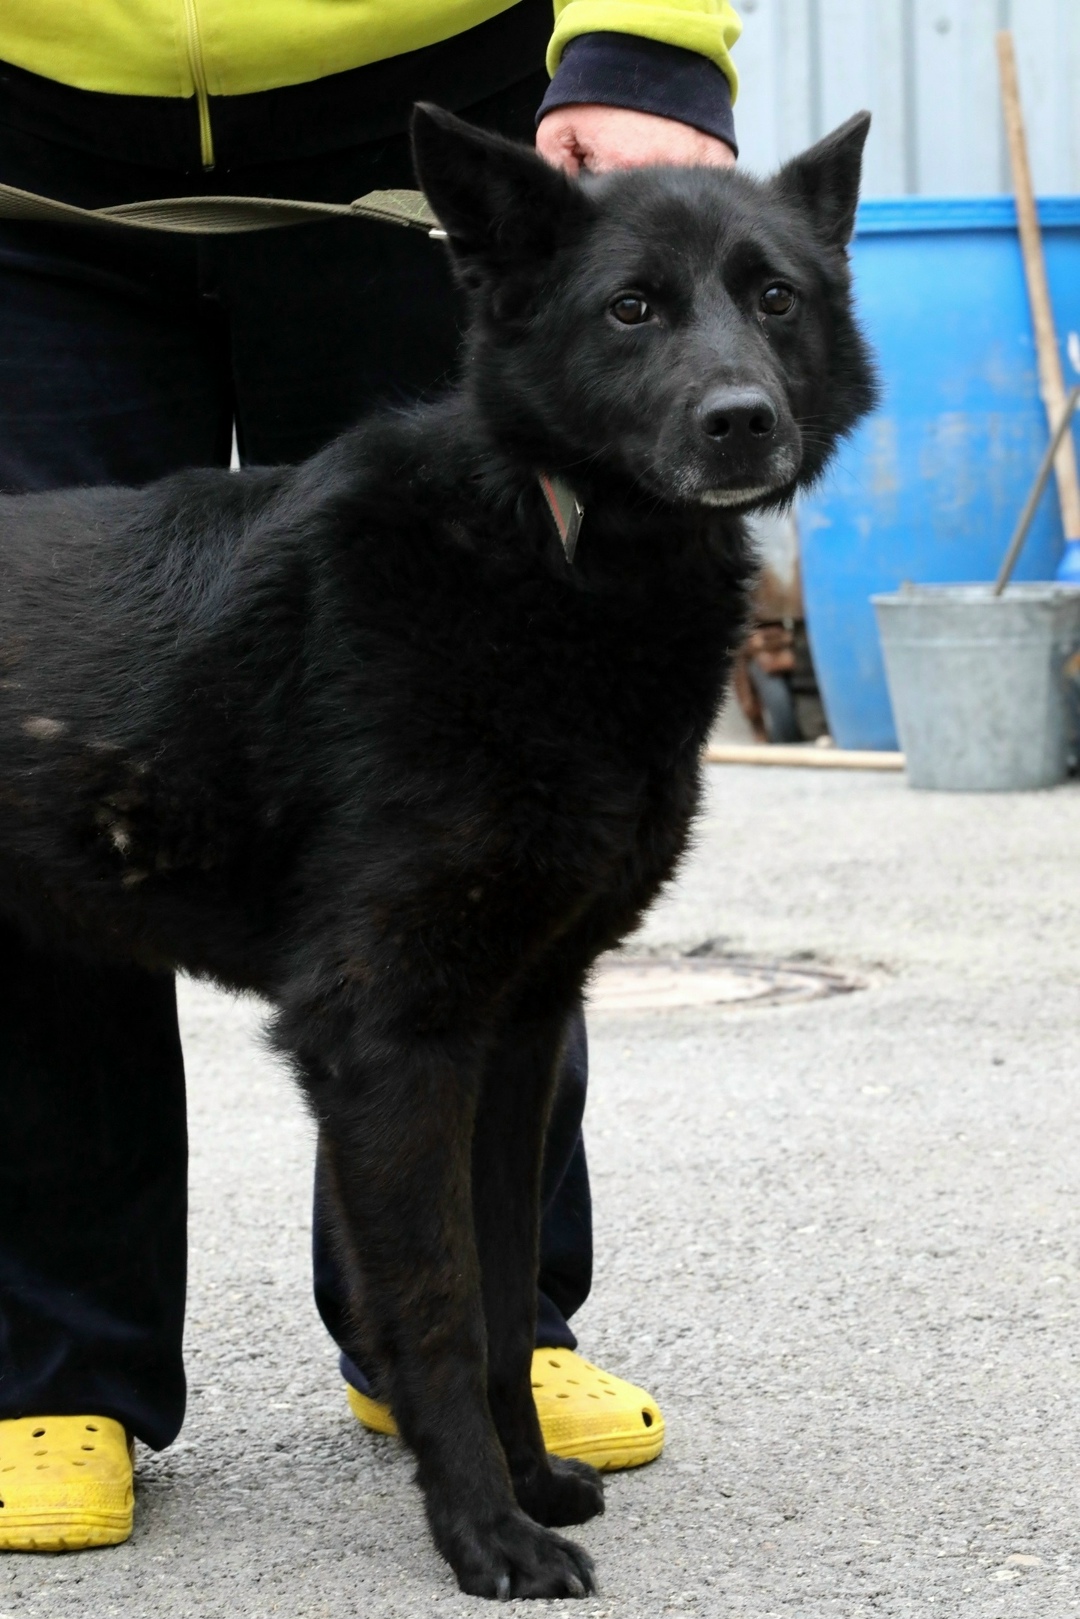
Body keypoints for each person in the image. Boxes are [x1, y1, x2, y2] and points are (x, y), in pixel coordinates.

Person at [0, 0, 740, 1551]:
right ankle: (56, 1368)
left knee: (500, 829)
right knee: (49, 771)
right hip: (31, 151)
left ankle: (486, 1346)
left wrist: (647, 47)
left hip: (418, 137)